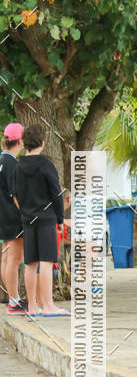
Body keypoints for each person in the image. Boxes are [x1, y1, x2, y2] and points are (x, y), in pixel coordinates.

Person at [14, 124, 68, 316]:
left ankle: (32, 306)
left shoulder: (18, 166)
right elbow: (56, 194)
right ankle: (48, 306)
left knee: (30, 263)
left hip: (27, 219)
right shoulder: (46, 165)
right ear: (43, 143)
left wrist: (26, 212)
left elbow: (16, 194)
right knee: (46, 260)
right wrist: (60, 219)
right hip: (46, 219)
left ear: (25, 143)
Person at [0, 123, 27, 313]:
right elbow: (15, 194)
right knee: (14, 259)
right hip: (12, 217)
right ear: (20, 141)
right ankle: (14, 300)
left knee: (6, 258)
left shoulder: (1, 160)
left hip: (2, 217)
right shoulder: (12, 164)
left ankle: (12, 298)